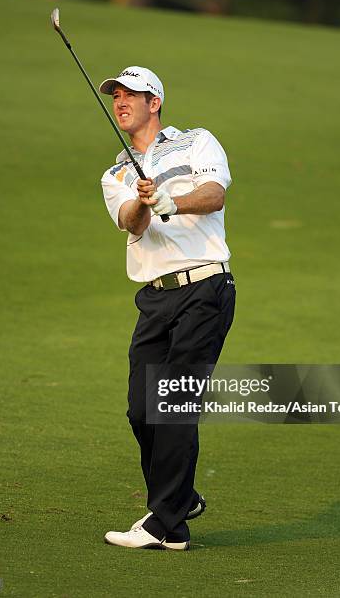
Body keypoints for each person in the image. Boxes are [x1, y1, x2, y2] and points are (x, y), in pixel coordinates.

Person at [99, 66, 236, 550]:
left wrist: (170, 203)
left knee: (173, 404)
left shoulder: (197, 141)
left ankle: (164, 523)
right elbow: (128, 222)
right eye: (115, 95)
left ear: (154, 101)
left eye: (130, 94)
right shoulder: (115, 172)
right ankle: (179, 499)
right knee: (141, 410)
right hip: (154, 297)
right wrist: (142, 200)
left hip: (204, 288)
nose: (120, 101)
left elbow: (215, 193)